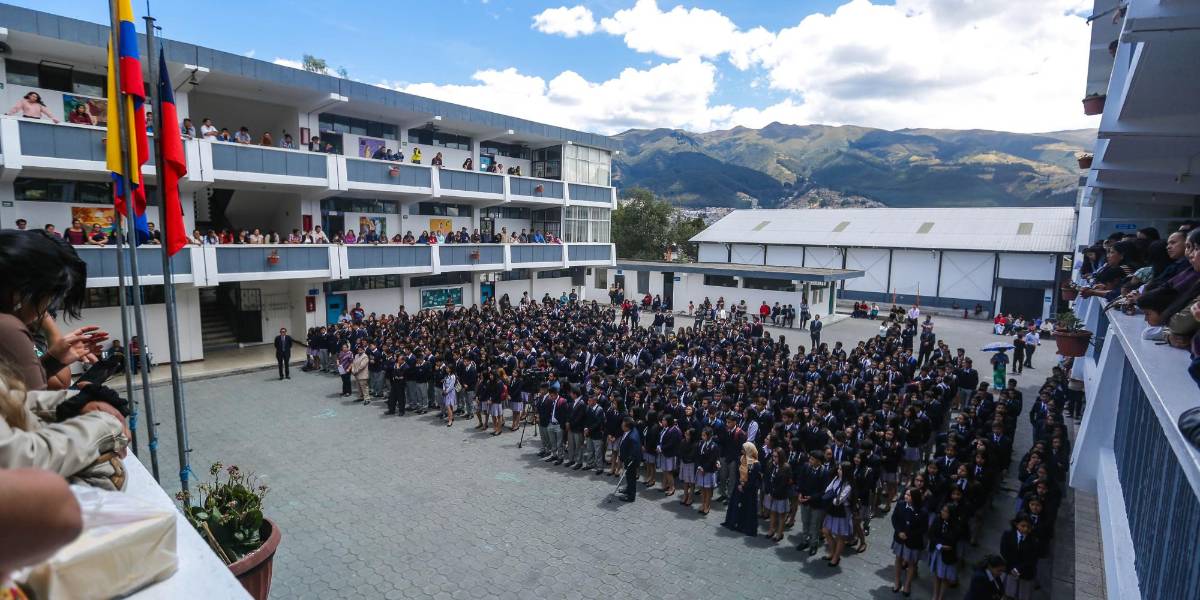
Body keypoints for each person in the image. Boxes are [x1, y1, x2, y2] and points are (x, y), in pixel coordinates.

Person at [891, 488, 926, 596]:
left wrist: (909, 535)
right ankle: (897, 581)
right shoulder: (900, 504)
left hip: (913, 541)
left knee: (911, 563)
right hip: (900, 538)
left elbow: (923, 528)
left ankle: (907, 584)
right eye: (906, 494)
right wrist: (899, 531)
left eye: (909, 495)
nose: (906, 496)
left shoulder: (922, 511)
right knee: (898, 559)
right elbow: (894, 519)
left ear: (915, 498)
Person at [721, 441, 761, 536]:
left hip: (749, 489)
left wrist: (744, 485)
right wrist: (739, 483)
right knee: (735, 505)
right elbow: (738, 473)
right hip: (739, 486)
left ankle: (744, 526)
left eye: (744, 449)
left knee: (747, 507)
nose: (742, 451)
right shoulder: (741, 459)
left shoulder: (753, 463)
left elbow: (752, 477)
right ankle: (733, 522)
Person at [616, 416, 642, 502]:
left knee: (631, 478)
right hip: (627, 459)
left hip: (631, 461)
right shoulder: (630, 430)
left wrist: (628, 460)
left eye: (623, 425)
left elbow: (634, 452)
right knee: (628, 477)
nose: (621, 426)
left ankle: (631, 496)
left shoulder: (632, 437)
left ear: (627, 427)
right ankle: (628, 489)